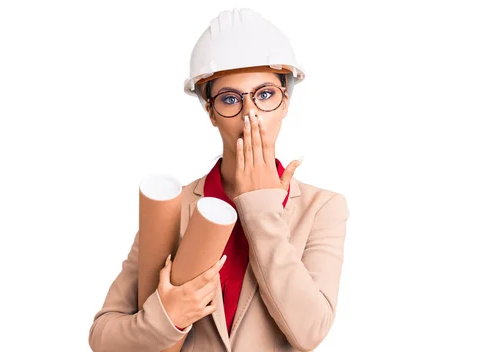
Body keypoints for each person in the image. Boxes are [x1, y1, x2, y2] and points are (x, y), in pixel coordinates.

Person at [88, 8, 349, 352]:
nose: (250, 114)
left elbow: (310, 331)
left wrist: (259, 209)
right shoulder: (173, 206)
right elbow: (103, 334)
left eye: (266, 94)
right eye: (230, 99)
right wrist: (168, 318)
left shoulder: (322, 208)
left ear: (286, 102)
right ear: (210, 111)